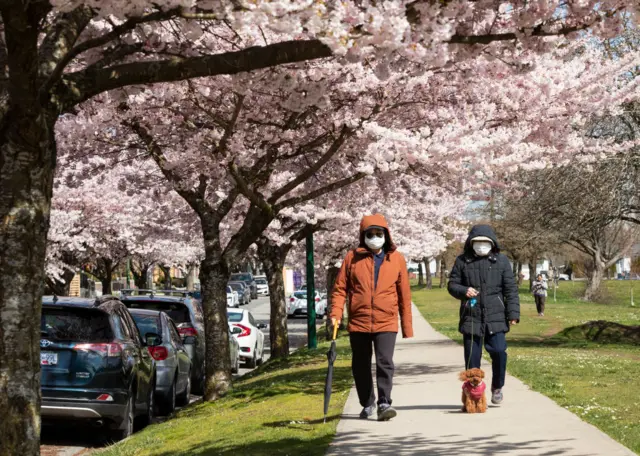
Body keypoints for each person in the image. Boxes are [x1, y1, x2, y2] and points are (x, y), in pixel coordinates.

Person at [330, 214, 413, 422]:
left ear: (386, 235)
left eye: (378, 233)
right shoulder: (352, 258)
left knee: (385, 362)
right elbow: (340, 289)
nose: (374, 237)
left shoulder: (397, 258)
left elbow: (404, 294)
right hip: (359, 321)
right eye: (370, 234)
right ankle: (367, 403)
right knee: (360, 364)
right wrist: (336, 313)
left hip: (386, 320)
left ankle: (384, 403)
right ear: (363, 236)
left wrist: (407, 326)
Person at [447, 225, 520, 405]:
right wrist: (464, 290)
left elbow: (510, 289)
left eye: (484, 242)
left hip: (496, 316)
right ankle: (473, 394)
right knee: (472, 359)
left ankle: (497, 386)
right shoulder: (462, 261)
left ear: (492, 243)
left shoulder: (501, 261)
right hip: (471, 317)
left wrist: (513, 313)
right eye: (477, 242)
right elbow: (452, 285)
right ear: (471, 243)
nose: (481, 246)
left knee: (499, 351)